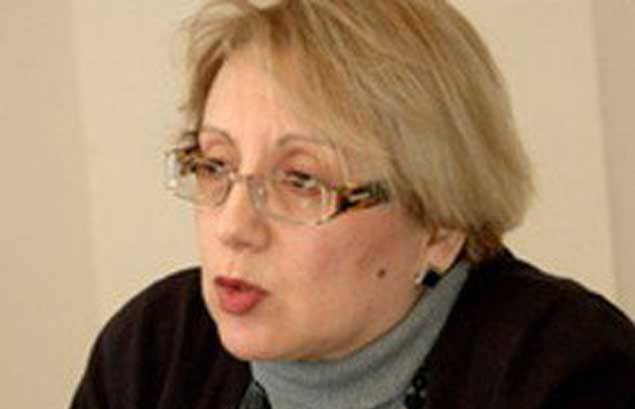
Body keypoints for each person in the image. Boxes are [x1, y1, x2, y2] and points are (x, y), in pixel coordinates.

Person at [70, 1, 635, 408]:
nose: (233, 227)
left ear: (439, 227)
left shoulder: (570, 373)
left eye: (300, 179)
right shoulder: (155, 350)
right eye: (215, 165)